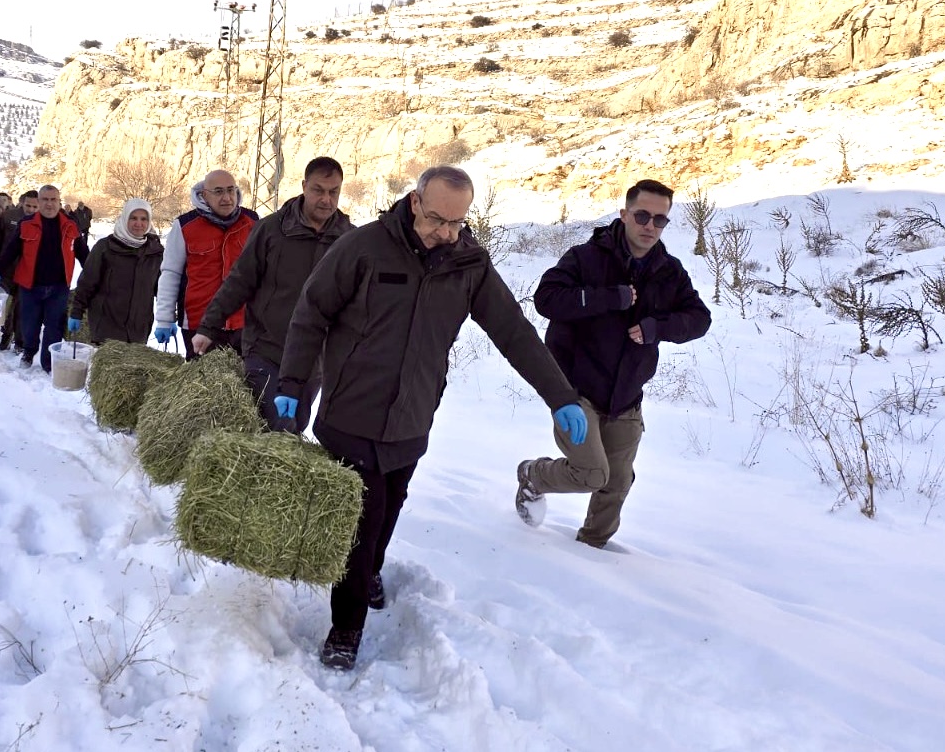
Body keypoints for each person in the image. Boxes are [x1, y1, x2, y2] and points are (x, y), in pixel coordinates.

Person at [276, 165, 587, 670]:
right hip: (351, 412)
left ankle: (372, 569)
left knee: (390, 507)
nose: (446, 232)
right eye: (438, 219)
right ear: (415, 201)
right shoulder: (364, 248)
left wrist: (560, 395)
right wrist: (292, 384)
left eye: (457, 224)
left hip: (413, 416)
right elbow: (312, 312)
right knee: (360, 521)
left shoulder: (468, 264)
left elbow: (513, 332)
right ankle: (345, 626)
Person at [517, 178, 711, 548]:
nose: (650, 226)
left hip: (626, 397)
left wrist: (658, 327)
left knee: (617, 483)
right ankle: (532, 475)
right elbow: (547, 298)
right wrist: (609, 298)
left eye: (660, 220)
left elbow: (699, 319)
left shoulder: (668, 271)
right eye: (642, 216)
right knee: (592, 474)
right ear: (623, 215)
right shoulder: (585, 258)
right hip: (575, 392)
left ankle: (593, 553)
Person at [191, 157, 352, 432]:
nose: (326, 199)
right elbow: (239, 281)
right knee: (278, 426)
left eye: (333, 191)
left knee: (297, 425)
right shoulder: (271, 230)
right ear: (303, 187)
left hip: (315, 360)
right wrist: (208, 326)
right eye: (318, 190)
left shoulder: (349, 240)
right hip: (267, 349)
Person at [153, 169, 259, 359]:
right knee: (202, 385)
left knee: (246, 385)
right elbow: (170, 274)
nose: (227, 198)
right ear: (204, 195)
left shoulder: (252, 222)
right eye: (218, 192)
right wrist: (164, 319)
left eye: (231, 190)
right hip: (198, 324)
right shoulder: (185, 226)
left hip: (244, 323)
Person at [0, 185, 88, 372]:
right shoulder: (26, 224)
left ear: (59, 202)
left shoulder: (70, 226)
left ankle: (48, 364)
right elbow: (11, 250)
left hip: (59, 287)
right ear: (39, 202)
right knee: (29, 325)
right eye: (45, 200)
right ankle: (29, 351)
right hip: (30, 286)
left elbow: (84, 255)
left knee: (54, 326)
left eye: (53, 200)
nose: (49, 204)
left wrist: (94, 276)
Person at [68, 198, 165, 344]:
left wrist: (167, 319)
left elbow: (162, 289)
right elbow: (87, 282)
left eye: (144, 219)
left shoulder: (155, 252)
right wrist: (76, 312)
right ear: (125, 218)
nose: (139, 223)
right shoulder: (105, 247)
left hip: (138, 329)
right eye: (133, 218)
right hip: (106, 328)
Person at [0, 190, 39, 352]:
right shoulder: (8, 217)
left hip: (29, 271)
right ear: (22, 202)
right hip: (6, 269)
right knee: (7, 305)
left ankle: (19, 341)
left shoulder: (43, 221)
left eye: (34, 207)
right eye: (28, 205)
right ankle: (6, 333)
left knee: (21, 307)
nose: (30, 209)